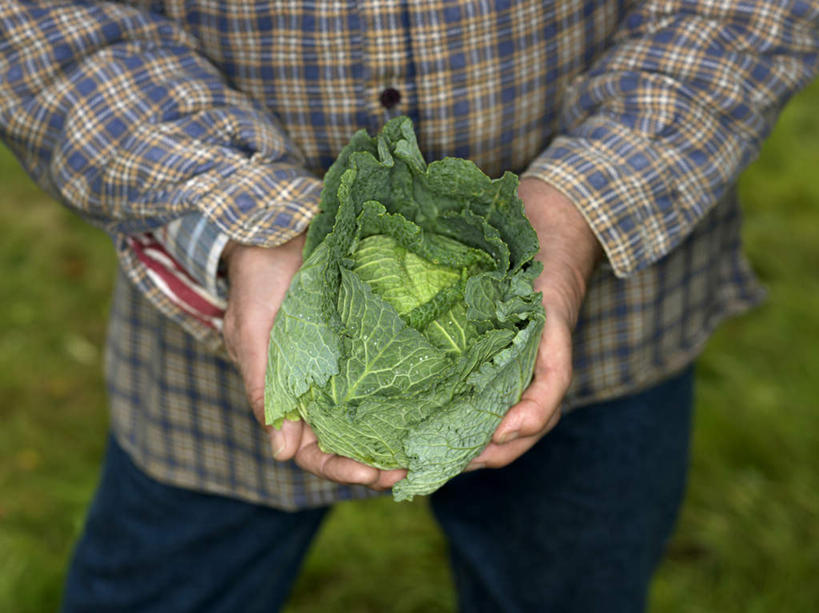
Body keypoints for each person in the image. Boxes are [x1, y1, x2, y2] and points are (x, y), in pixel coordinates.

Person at [2, 1, 817, 611]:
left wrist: (573, 212)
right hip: (211, 360)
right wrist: (247, 222)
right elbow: (43, 26)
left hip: (609, 336)